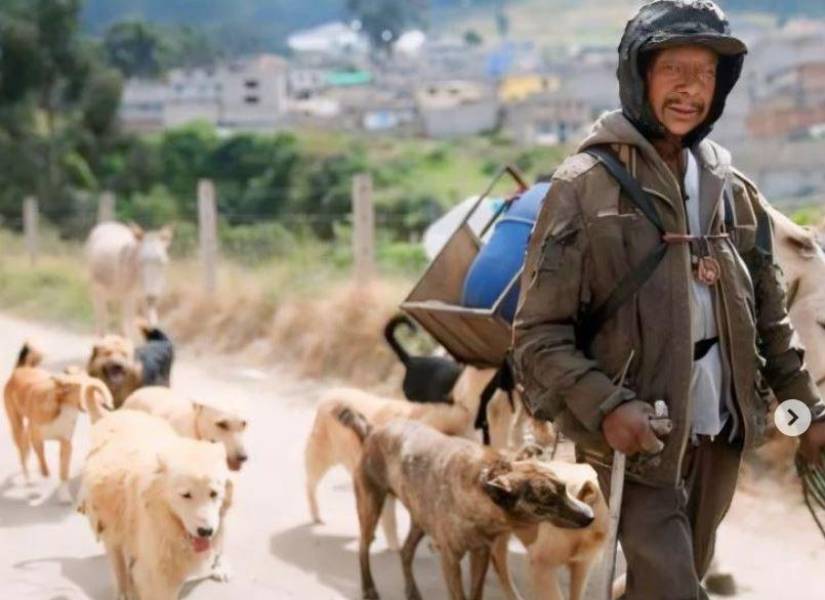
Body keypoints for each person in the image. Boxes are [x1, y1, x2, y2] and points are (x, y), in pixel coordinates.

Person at [512, 1, 825, 598]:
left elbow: (769, 317)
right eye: (673, 71)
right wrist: (607, 407)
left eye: (705, 73)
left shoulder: (732, 192)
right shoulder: (584, 189)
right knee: (677, 588)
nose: (690, 89)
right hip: (637, 435)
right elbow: (537, 336)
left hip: (720, 428)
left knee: (673, 578)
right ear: (639, 75)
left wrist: (806, 410)